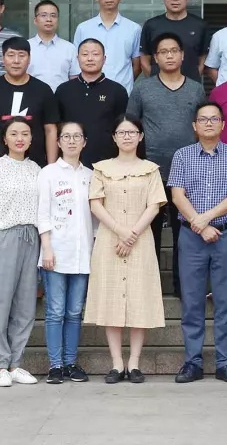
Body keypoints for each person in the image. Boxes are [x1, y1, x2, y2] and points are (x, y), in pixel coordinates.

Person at [168, 102, 227, 384]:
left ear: (223, 125)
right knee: (192, 302)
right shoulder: (182, 156)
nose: (208, 123)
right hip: (191, 237)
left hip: (224, 236)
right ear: (194, 125)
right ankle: (192, 362)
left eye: (214, 119)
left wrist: (206, 218)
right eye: (203, 119)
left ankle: (225, 363)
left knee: (225, 303)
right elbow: (177, 196)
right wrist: (200, 225)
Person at [84, 115, 168, 384]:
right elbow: (95, 203)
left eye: (132, 132)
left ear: (140, 136)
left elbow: (154, 206)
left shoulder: (150, 170)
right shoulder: (101, 168)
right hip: (109, 239)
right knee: (111, 299)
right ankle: (116, 363)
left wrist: (131, 235)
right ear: (114, 137)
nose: (127, 136)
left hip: (140, 240)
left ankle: (134, 363)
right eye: (122, 132)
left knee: (139, 299)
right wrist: (120, 231)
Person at [126, 33, 205, 298]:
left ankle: (183, 288)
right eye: (163, 52)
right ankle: (148, 288)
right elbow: (131, 127)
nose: (169, 55)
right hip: (151, 172)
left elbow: (203, 127)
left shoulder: (196, 89)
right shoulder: (143, 89)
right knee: (150, 232)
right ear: (155, 58)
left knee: (186, 233)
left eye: (174, 51)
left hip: (188, 174)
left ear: (182, 55)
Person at [0, 116, 42, 387]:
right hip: (2, 235)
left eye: (25, 133)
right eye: (14, 133)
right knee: (0, 302)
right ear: (4, 139)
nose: (19, 138)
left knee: (26, 304)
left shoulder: (36, 169)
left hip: (31, 236)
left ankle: (17, 362)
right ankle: (1, 363)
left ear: (31, 138)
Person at [37, 121, 94, 385]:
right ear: (58, 142)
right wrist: (47, 247)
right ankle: (56, 365)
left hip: (82, 253)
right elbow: (42, 213)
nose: (71, 141)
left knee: (74, 311)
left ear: (84, 142)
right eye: (66, 137)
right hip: (55, 252)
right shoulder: (48, 173)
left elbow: (95, 218)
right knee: (55, 311)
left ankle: (71, 362)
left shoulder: (91, 175)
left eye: (77, 136)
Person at [0, 36, 58, 168]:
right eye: (11, 55)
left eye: (21, 55)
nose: (16, 61)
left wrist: (52, 168)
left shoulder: (43, 90)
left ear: (29, 59)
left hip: (35, 166)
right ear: (3, 59)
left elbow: (51, 130)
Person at [51, 38, 129, 167]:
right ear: (78, 58)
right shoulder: (63, 90)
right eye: (85, 54)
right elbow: (56, 128)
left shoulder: (117, 91)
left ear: (104, 59)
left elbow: (123, 128)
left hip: (107, 162)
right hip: (70, 162)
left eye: (95, 54)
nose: (90, 58)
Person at [72, 0, 142, 93]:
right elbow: (77, 63)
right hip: (90, 93)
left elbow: (137, 66)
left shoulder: (134, 29)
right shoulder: (83, 28)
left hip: (122, 93)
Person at [139, 0, 211, 81]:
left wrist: (191, 82)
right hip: (157, 86)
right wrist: (154, 82)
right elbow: (144, 59)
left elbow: (203, 59)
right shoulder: (151, 25)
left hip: (190, 86)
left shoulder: (200, 25)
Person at [27, 0, 79, 91]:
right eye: (43, 15)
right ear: (35, 20)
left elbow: (74, 79)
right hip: (32, 97)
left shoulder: (69, 48)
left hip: (62, 97)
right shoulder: (26, 47)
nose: (49, 19)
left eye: (53, 15)